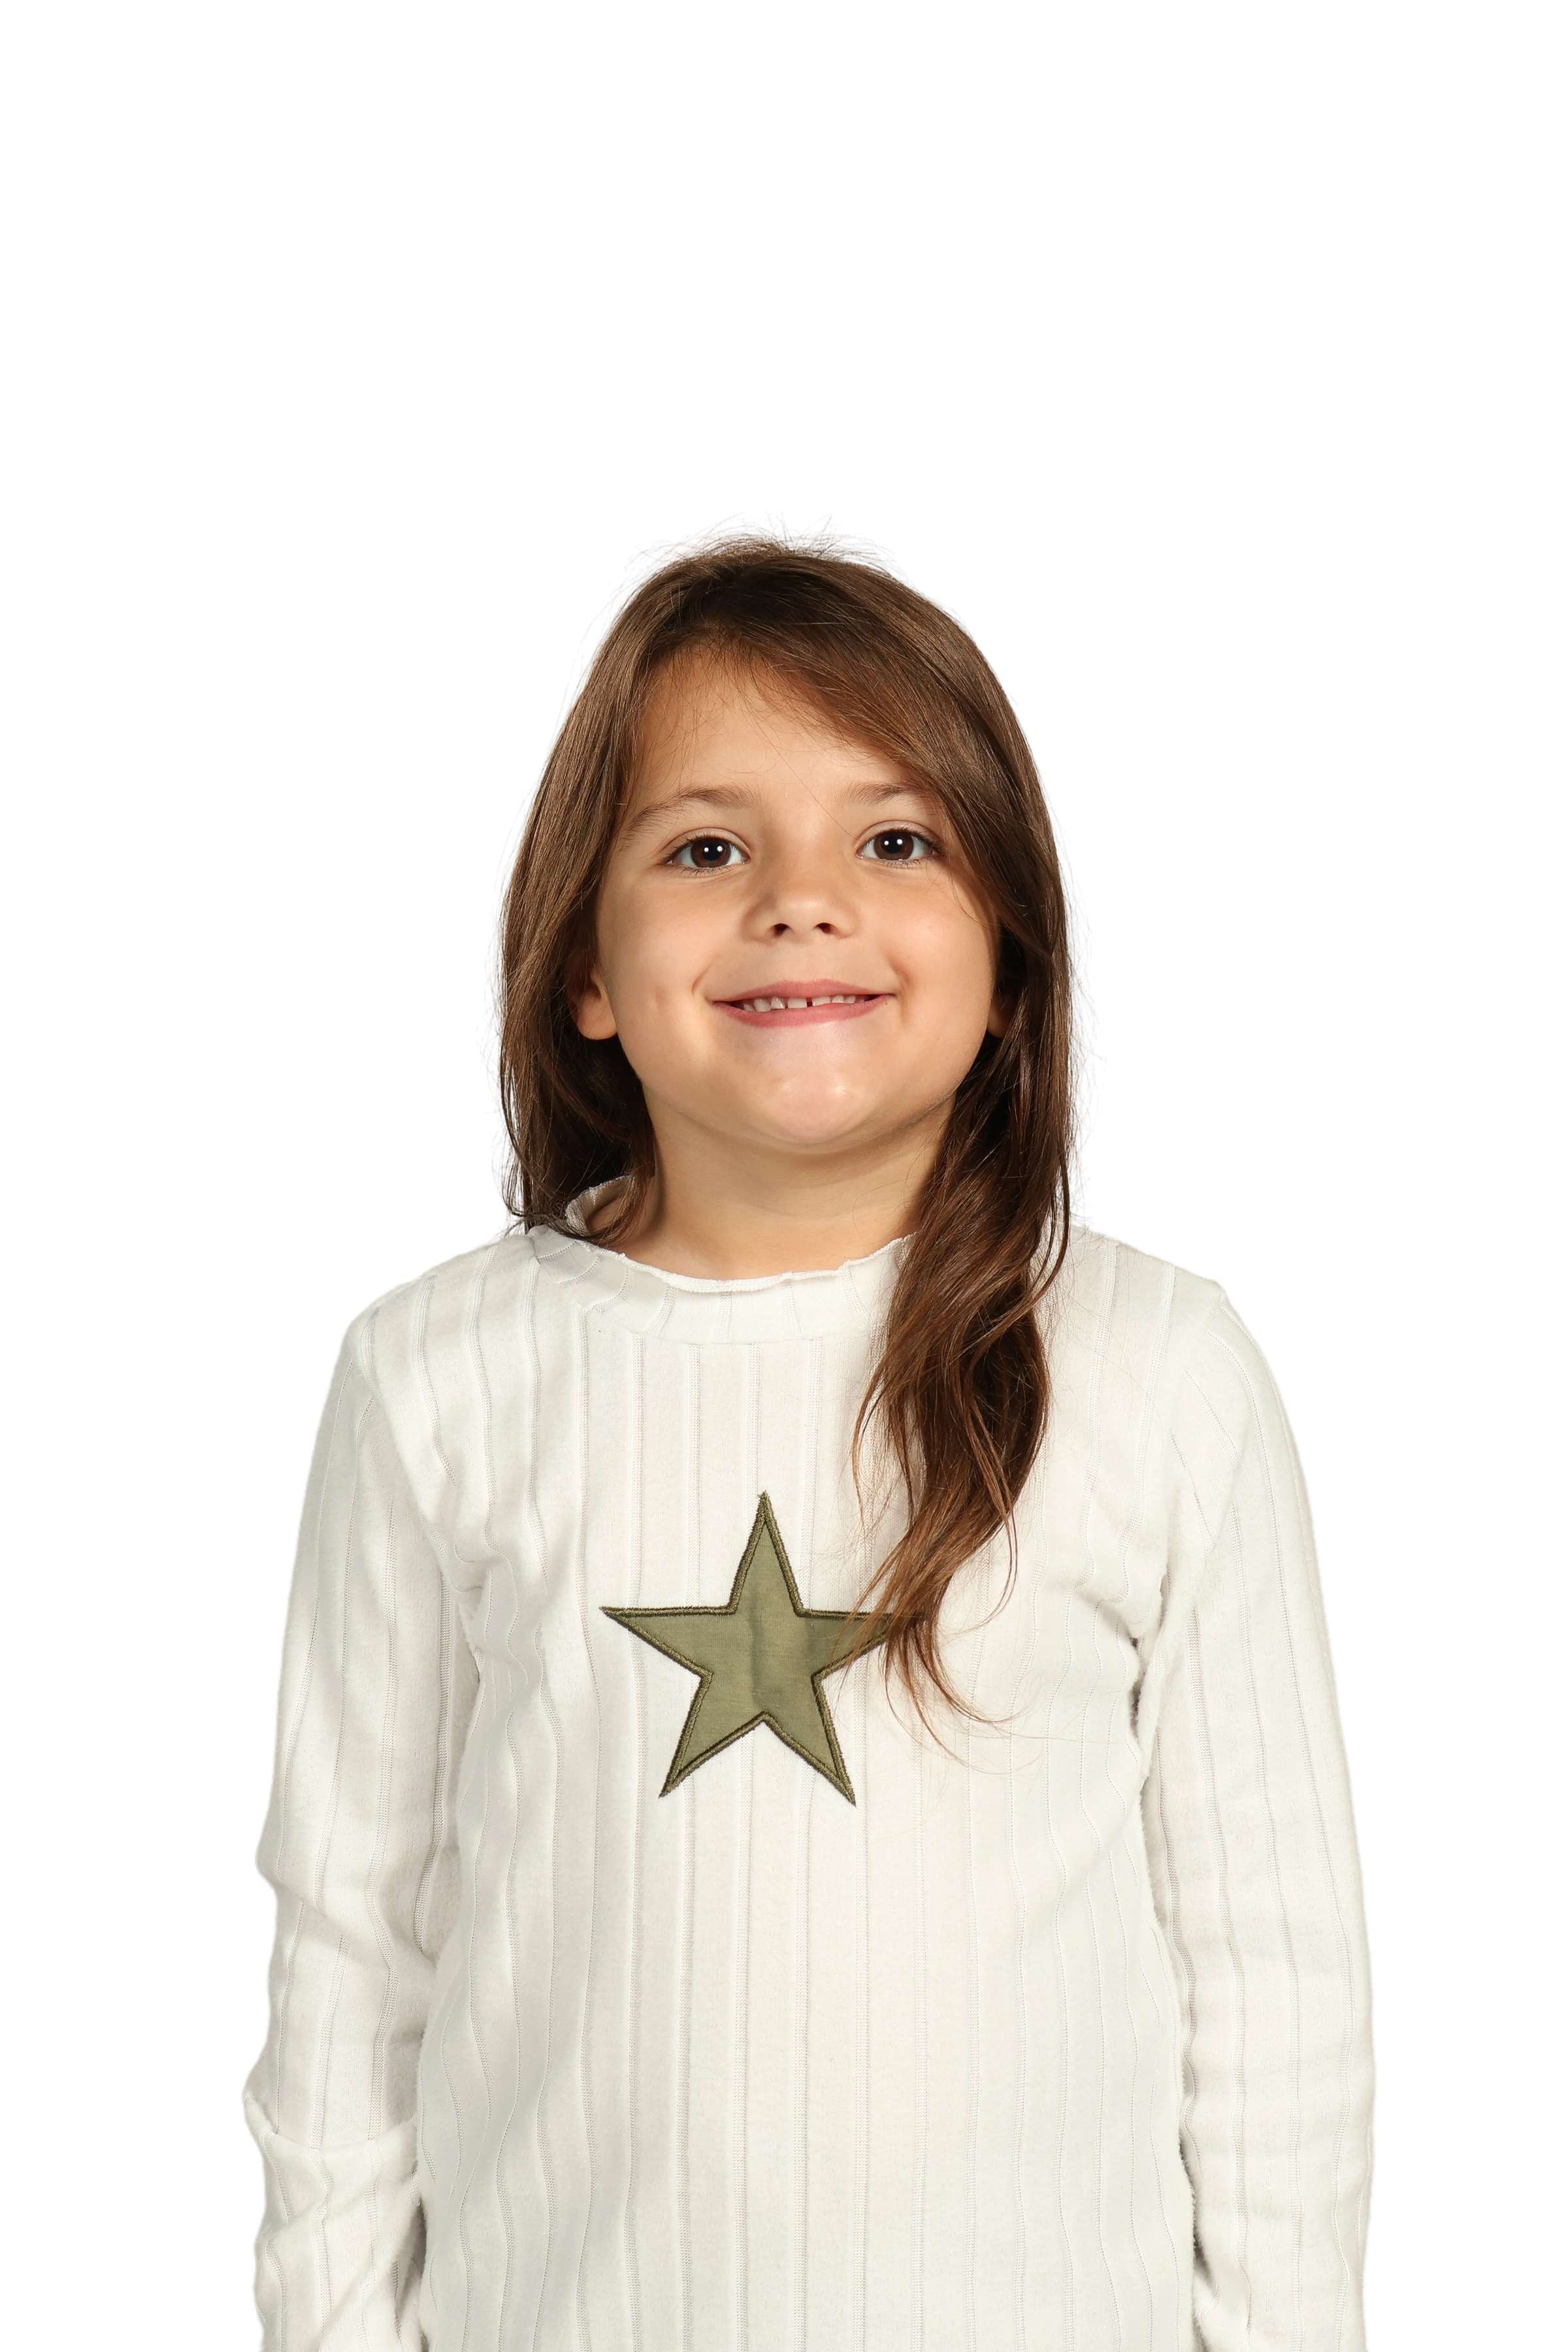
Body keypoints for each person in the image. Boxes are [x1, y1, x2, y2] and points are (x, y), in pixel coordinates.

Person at [238, 508, 1377, 2351]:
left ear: (1008, 950)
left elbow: (1273, 1978)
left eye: (895, 838)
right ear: (583, 964)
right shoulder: (432, 1381)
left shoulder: (1160, 1372)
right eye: (707, 846)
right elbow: (352, 1959)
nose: (801, 899)